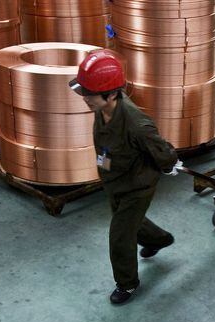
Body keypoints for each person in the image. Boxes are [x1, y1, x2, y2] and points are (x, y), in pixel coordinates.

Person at [70, 50, 181, 305]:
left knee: (120, 234)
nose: (84, 98)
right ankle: (160, 239)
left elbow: (161, 149)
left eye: (89, 94)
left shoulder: (136, 124)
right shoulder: (101, 107)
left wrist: (169, 164)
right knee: (130, 221)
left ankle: (127, 283)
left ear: (111, 95)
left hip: (137, 185)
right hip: (114, 178)